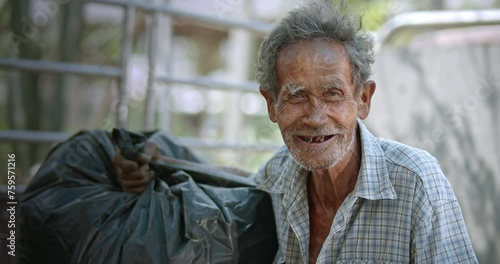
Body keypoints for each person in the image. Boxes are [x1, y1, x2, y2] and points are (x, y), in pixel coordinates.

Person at [113, 1, 478, 263]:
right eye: (296, 96)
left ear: (363, 99)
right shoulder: (280, 174)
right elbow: (237, 187)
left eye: (333, 93)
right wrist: (160, 169)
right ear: (271, 105)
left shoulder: (416, 184)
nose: (316, 117)